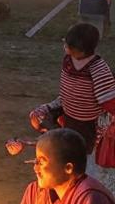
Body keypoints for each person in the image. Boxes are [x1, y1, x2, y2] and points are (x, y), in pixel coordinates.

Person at [30, 22, 115, 193]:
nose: (64, 46)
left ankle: (83, 188)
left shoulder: (98, 69)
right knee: (64, 149)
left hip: (88, 123)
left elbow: (109, 100)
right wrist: (52, 107)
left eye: (68, 45)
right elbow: (66, 89)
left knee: (83, 156)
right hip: (68, 116)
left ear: (81, 49)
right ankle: (64, 183)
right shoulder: (68, 61)